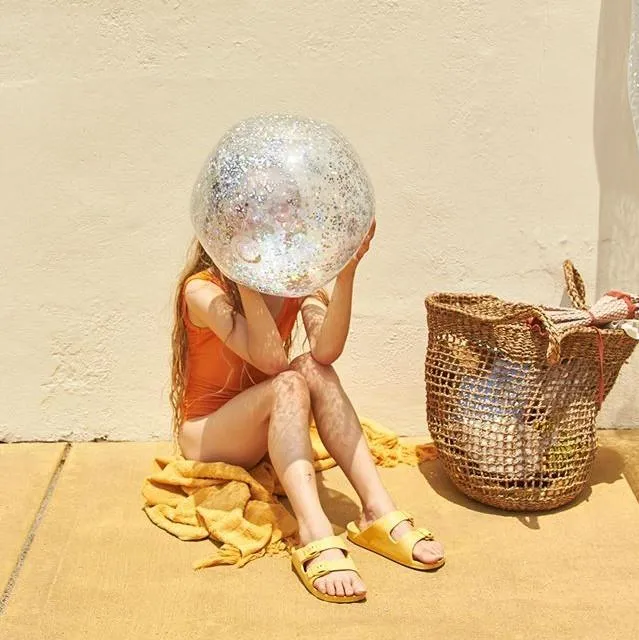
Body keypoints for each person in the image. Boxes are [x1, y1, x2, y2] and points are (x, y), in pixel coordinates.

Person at [170, 220, 444, 603]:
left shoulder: (295, 281)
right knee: (288, 381)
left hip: (258, 426)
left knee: (313, 369)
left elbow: (326, 351)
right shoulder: (203, 289)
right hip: (208, 434)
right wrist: (245, 280)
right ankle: (314, 529)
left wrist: (345, 274)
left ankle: (376, 510)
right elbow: (270, 361)